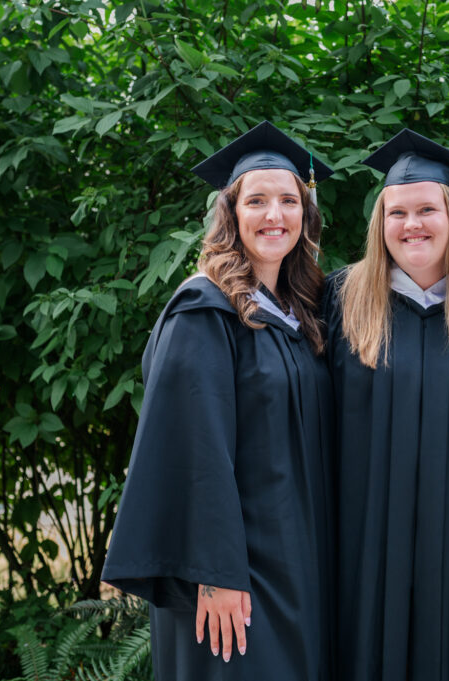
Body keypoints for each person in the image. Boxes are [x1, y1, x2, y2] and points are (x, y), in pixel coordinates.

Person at [102, 121, 336, 681]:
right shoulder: (205, 312)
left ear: (305, 215)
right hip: (236, 572)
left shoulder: (300, 313)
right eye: (256, 201)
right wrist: (215, 573)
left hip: (296, 559)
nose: (274, 215)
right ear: (231, 215)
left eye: (288, 201)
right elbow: (193, 454)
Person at [323, 129, 449, 681]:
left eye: (427, 209)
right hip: (360, 546)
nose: (412, 224)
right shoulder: (338, 300)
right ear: (380, 224)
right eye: (397, 212)